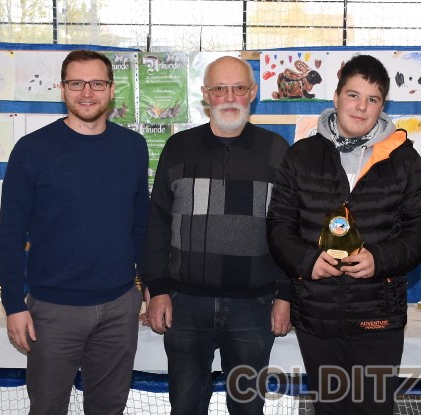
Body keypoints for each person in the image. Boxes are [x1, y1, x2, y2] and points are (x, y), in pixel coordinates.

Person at [266, 54, 421, 415]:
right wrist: (306, 261)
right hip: (317, 316)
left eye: (372, 99)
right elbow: (278, 225)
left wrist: (380, 259)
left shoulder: (403, 159)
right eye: (353, 95)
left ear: (382, 106)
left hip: (378, 317)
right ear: (336, 97)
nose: (361, 107)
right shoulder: (300, 156)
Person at [0, 49, 149, 414]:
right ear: (62, 88)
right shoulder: (32, 150)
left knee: (108, 409)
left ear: (112, 89)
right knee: (47, 408)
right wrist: (14, 305)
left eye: (97, 83)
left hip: (119, 307)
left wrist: (151, 285)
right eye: (77, 83)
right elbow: (11, 233)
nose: (87, 92)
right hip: (53, 311)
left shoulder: (133, 147)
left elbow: (140, 224)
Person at [142, 56, 291, 415]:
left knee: (248, 408)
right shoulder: (178, 147)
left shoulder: (278, 150)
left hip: (254, 307)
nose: (229, 97)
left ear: (252, 92)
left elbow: (291, 230)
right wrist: (157, 289)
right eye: (219, 89)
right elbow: (158, 221)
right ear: (205, 94)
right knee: (186, 407)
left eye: (238, 88)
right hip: (185, 304)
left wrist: (287, 295)